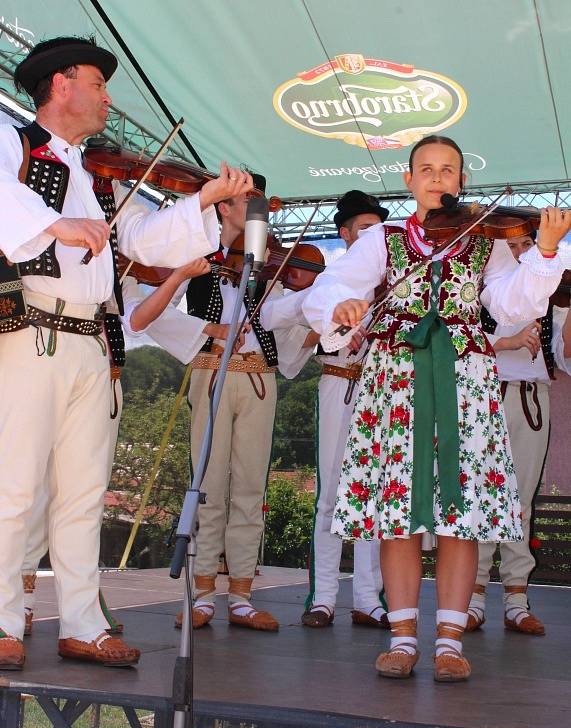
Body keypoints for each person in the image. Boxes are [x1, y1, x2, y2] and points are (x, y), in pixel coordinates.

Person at [0, 35, 252, 670]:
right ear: (61, 85)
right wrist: (56, 224)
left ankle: (82, 621)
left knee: (84, 491)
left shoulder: (100, 175)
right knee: (15, 486)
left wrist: (203, 200)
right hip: (30, 331)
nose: (108, 98)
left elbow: (149, 239)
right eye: (98, 83)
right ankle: (2, 617)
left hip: (93, 340)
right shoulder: (14, 143)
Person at [301, 135, 571, 682]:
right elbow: (329, 287)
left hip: (465, 381)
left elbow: (512, 304)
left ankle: (448, 641)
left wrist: (544, 252)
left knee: (461, 515)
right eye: (426, 169)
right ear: (408, 180)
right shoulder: (383, 237)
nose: (438, 178)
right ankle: (403, 639)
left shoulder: (486, 240)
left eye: (449, 170)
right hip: (396, 381)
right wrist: (342, 303)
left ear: (461, 181)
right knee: (397, 515)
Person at [123, 176, 310, 632]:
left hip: (259, 377)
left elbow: (281, 321)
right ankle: (203, 592)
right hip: (211, 370)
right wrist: (208, 330)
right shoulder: (193, 251)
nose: (255, 208)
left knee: (250, 487)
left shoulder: (264, 259)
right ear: (223, 209)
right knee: (206, 484)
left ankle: (242, 593)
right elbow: (150, 313)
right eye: (247, 200)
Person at [467, 232, 571, 636]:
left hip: (531, 398)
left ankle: (515, 598)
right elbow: (452, 341)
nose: (517, 251)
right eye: (507, 246)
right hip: (483, 396)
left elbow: (564, 357)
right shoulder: (473, 291)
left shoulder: (548, 297)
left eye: (525, 243)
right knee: (477, 496)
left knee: (520, 500)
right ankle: (473, 596)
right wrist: (502, 342)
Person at [301, 190, 390, 629]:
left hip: (380, 393)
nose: (375, 237)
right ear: (345, 233)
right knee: (331, 496)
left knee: (374, 496)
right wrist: (338, 328)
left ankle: (368, 598)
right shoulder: (331, 278)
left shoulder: (391, 282)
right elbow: (306, 315)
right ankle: (324, 596)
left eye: (379, 230)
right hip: (339, 384)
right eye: (365, 230)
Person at [21, 299, 126, 637]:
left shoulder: (117, 270)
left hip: (102, 373)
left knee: (88, 492)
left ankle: (84, 610)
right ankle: (21, 595)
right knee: (32, 489)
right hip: (44, 354)